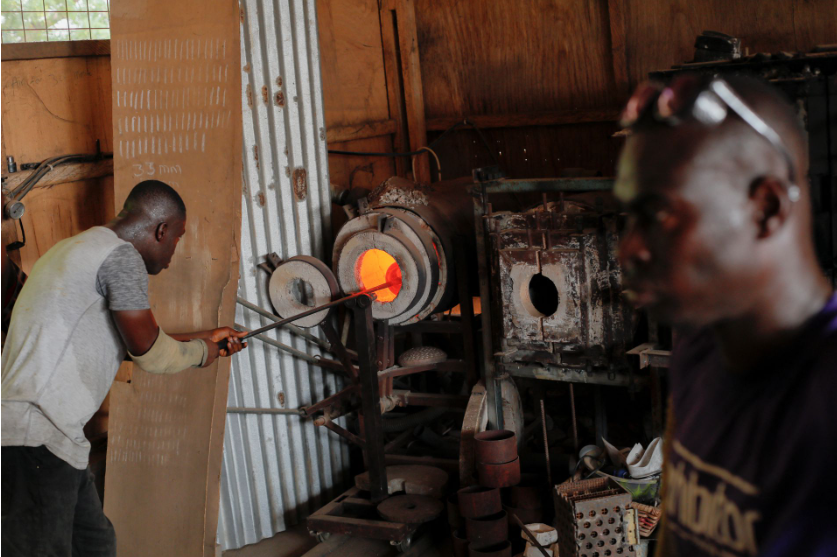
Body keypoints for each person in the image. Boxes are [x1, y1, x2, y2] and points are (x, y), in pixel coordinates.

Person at [615, 75, 836, 557]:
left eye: (658, 213)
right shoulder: (700, 345)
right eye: (628, 217)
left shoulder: (824, 394)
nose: (627, 248)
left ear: (766, 207)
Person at [1, 180, 248, 557]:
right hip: (35, 439)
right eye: (177, 239)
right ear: (161, 230)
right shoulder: (122, 258)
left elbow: (132, 339)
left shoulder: (75, 248)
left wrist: (207, 336)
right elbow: (150, 353)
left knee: (95, 545)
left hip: (52, 439)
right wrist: (202, 353)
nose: (172, 253)